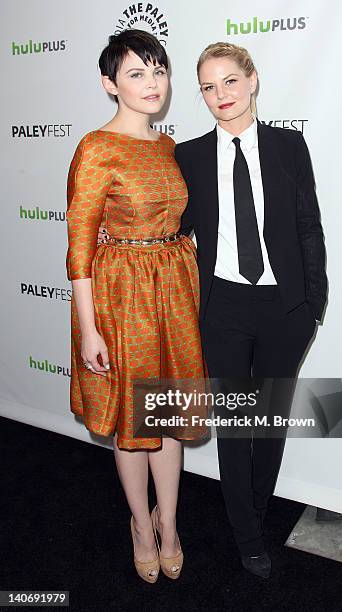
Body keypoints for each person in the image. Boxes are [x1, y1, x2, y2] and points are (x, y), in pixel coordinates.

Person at [174, 42, 328, 578]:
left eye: (230, 82)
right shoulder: (189, 155)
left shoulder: (289, 145)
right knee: (237, 423)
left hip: (285, 307)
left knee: (268, 424)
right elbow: (171, 225)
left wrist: (313, 302)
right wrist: (116, 229)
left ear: (253, 80)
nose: (221, 96)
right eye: (209, 88)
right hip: (224, 307)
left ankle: (257, 512)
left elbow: (309, 224)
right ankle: (246, 534)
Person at [66, 29, 207, 583]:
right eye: (136, 73)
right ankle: (141, 529)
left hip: (172, 288)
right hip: (121, 295)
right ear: (110, 84)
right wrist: (88, 331)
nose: (152, 84)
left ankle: (168, 524)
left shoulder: (169, 146)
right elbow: (79, 248)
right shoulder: (96, 147)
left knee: (166, 415)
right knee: (132, 420)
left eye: (159, 71)